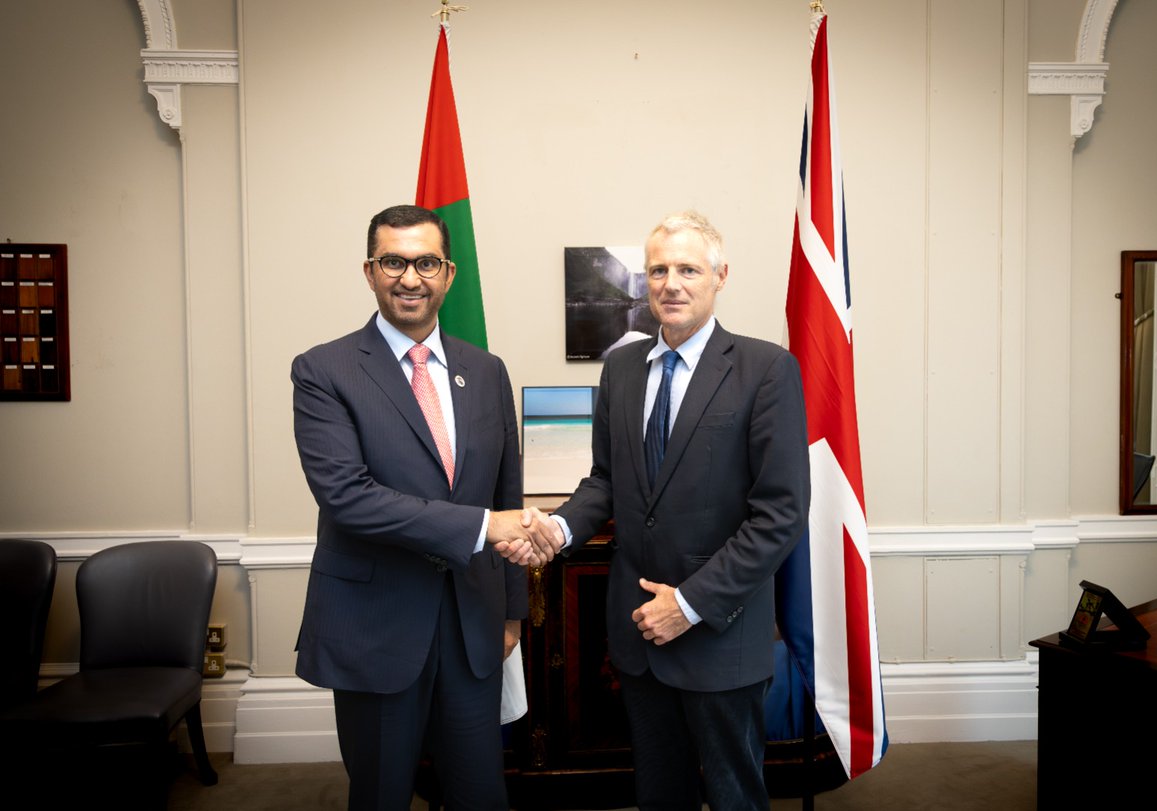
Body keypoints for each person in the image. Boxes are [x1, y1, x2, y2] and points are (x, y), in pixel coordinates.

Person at [543, 210, 811, 811]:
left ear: (720, 276)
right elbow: (606, 481)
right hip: (639, 637)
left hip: (719, 633)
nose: (671, 283)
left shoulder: (766, 369)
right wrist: (557, 527)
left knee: (734, 794)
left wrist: (688, 605)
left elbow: (781, 513)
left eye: (688, 269)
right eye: (658, 269)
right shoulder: (620, 369)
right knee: (660, 793)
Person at [291, 204, 550, 809]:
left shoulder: (485, 371)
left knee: (479, 793)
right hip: (376, 624)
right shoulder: (324, 370)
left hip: (474, 625)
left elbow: (504, 492)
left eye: (426, 262)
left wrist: (512, 609)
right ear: (370, 270)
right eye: (394, 262)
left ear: (449, 274)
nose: (410, 277)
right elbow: (348, 498)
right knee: (381, 795)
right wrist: (484, 527)